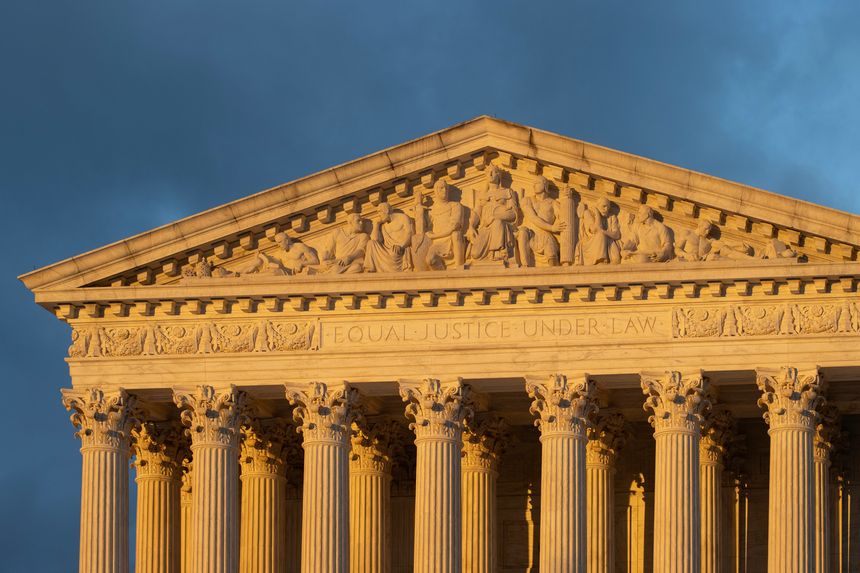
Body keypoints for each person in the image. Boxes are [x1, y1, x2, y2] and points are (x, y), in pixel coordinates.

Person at [467, 165, 519, 265]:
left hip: (502, 227)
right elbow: (477, 212)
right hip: (485, 227)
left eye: (493, 172)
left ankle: (496, 252)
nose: (490, 174)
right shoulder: (482, 195)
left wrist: (496, 216)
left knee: (497, 223)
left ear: (499, 175)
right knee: (475, 254)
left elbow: (513, 214)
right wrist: (471, 226)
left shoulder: (508, 192)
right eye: (488, 172)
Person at [414, 179, 467, 270]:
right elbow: (421, 232)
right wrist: (418, 206)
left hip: (450, 240)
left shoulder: (455, 205)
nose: (445, 191)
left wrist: (434, 236)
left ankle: (459, 267)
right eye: (441, 188)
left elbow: (454, 227)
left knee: (456, 234)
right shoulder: (431, 210)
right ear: (436, 191)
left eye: (446, 188)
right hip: (437, 243)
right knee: (430, 260)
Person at [517, 176, 566, 267]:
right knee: (522, 232)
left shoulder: (553, 203)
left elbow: (564, 217)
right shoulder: (527, 200)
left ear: (545, 185)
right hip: (530, 233)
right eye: (534, 183)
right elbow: (532, 217)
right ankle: (525, 266)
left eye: (537, 183)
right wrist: (552, 228)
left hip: (545, 234)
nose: (534, 185)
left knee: (551, 254)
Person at [364, 202, 415, 272]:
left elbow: (410, 234)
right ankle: (369, 269)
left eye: (380, 212)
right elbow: (375, 239)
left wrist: (401, 246)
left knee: (393, 253)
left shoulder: (403, 217)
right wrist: (377, 225)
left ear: (387, 211)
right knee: (370, 243)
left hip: (399, 250)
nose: (379, 215)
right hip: (387, 251)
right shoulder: (383, 225)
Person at [242, 232, 319, 275]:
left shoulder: (300, 246)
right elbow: (273, 263)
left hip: (294, 274)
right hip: (285, 273)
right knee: (262, 265)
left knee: (273, 273)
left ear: (287, 240)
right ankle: (242, 273)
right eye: (277, 243)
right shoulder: (279, 253)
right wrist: (263, 257)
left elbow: (315, 261)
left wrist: (302, 264)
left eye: (280, 242)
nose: (278, 245)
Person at [577, 197, 621, 265]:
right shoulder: (588, 213)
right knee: (600, 235)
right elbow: (595, 229)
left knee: (602, 235)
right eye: (604, 206)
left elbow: (617, 235)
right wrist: (597, 213)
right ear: (597, 206)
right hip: (590, 243)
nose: (606, 209)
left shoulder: (612, 217)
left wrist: (604, 232)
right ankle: (600, 260)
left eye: (608, 208)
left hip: (607, 242)